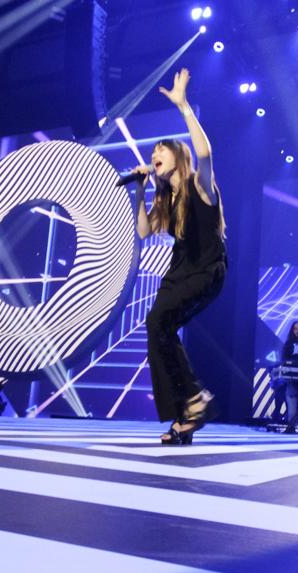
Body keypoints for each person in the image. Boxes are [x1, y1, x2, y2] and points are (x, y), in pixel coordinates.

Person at [131, 69, 227, 445]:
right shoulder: (165, 199)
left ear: (178, 155)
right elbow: (143, 231)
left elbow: (205, 153)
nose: (154, 154)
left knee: (158, 321)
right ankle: (187, 414)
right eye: (153, 151)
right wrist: (139, 190)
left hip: (206, 268)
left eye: (161, 149)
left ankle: (193, 399)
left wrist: (184, 105)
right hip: (179, 271)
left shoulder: (198, 185)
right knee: (159, 328)